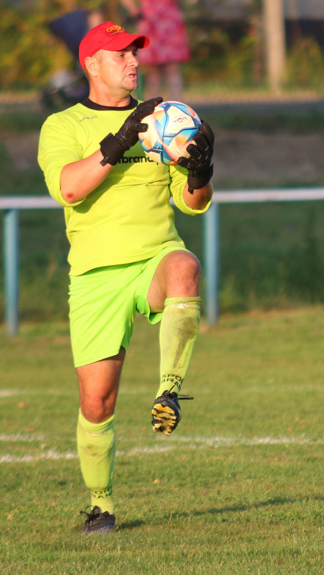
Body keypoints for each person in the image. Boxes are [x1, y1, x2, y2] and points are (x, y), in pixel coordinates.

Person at [37, 21, 215, 534]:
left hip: (153, 256)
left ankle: (169, 392)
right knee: (98, 403)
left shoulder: (165, 123)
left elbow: (192, 204)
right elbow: (70, 188)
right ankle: (100, 503)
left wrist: (201, 171)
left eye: (135, 52)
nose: (134, 61)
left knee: (185, 267)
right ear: (91, 64)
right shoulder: (62, 125)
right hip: (96, 275)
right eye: (120, 55)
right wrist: (119, 140)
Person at [120, 0, 190, 101]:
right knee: (153, 69)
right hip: (149, 20)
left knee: (172, 67)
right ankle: (153, 107)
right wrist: (133, 10)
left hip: (169, 20)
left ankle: (178, 108)